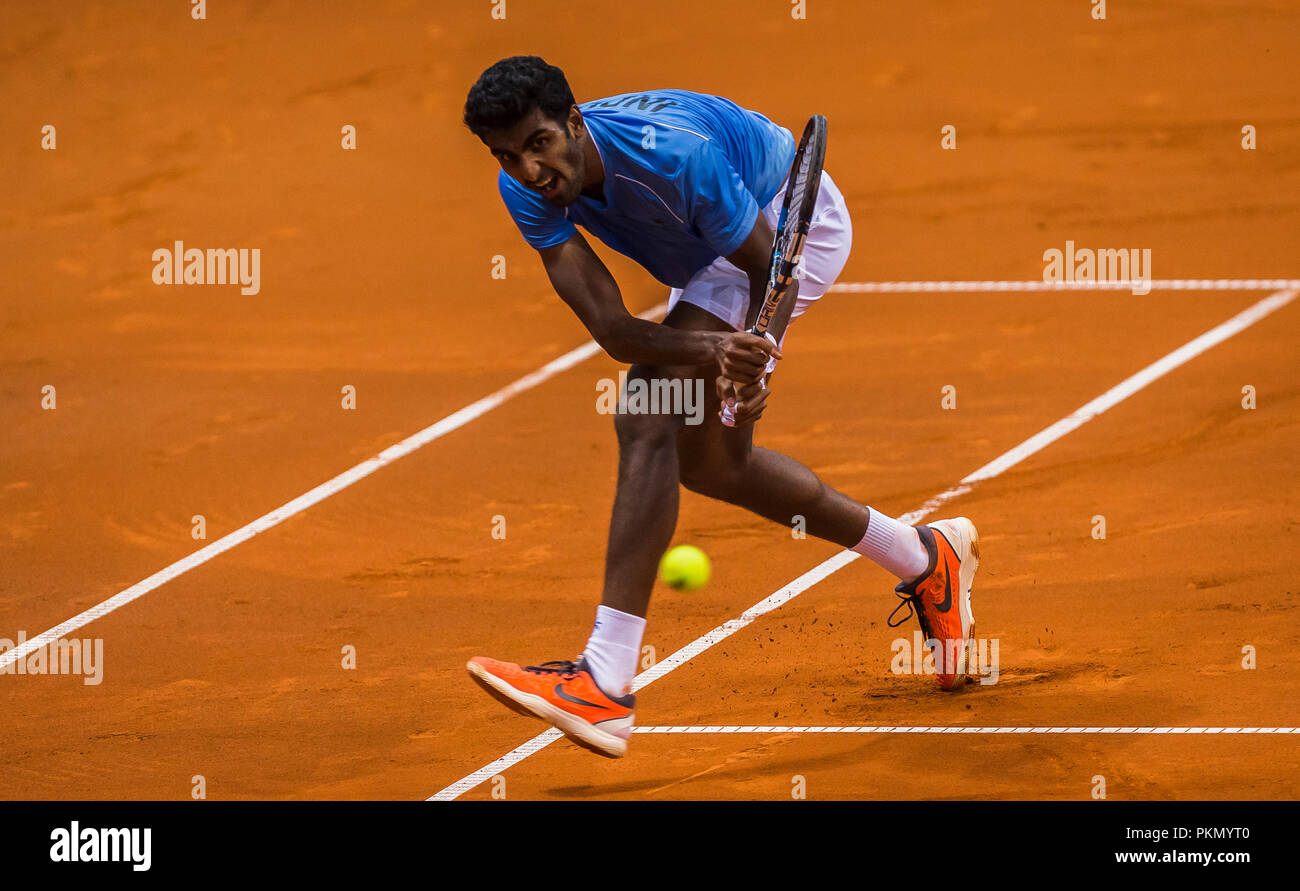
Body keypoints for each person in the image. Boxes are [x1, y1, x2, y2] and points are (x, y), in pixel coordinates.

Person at [461, 56, 979, 758]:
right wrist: (716, 356)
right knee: (713, 467)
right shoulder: (523, 187)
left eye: (539, 144)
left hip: (780, 226)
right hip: (711, 252)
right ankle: (923, 556)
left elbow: (770, 268)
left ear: (574, 124)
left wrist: (759, 353)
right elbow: (615, 332)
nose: (528, 170)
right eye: (507, 155)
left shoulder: (674, 158)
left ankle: (604, 680)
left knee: (646, 413)